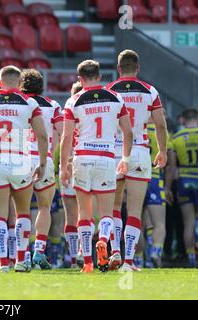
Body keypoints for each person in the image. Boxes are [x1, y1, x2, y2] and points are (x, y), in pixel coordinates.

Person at [60, 60, 133, 273]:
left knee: (84, 213)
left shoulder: (74, 100)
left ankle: (89, 262)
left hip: (82, 158)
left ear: (80, 79)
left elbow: (66, 137)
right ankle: (103, 239)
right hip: (106, 158)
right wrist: (125, 159)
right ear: (99, 76)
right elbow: (128, 132)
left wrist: (64, 166)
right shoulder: (116, 97)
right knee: (106, 212)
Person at [0, 65, 48, 273]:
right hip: (21, 161)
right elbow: (42, 136)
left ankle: (3, 263)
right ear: (19, 82)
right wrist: (42, 164)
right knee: (23, 213)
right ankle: (22, 260)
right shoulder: (29, 103)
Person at [107, 49, 168, 271]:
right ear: (138, 68)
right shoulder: (149, 90)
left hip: (114, 150)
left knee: (113, 206)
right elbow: (160, 124)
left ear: (118, 68)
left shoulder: (109, 90)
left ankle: (115, 251)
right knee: (134, 209)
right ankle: (129, 261)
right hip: (141, 150)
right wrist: (162, 150)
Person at [18, 69, 63, 269]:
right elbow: (64, 132)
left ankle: (20, 255)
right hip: (43, 159)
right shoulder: (52, 106)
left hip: (18, 160)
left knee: (21, 211)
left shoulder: (14, 103)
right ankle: (38, 251)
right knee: (44, 207)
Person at [167, 108, 198, 267]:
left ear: (184, 120)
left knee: (188, 222)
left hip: (185, 179)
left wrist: (167, 187)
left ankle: (191, 258)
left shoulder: (176, 137)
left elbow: (172, 167)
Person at [142, 118, 173, 268]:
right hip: (155, 179)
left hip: (137, 178)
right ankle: (156, 252)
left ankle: (137, 259)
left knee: (136, 222)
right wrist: (167, 187)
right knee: (159, 223)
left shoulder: (137, 128)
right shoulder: (162, 132)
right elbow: (171, 161)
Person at [61, 81, 83, 269]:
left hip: (69, 164)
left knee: (70, 215)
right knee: (88, 213)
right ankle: (86, 253)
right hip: (87, 162)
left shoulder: (66, 112)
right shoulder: (95, 109)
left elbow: (63, 140)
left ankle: (74, 259)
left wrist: (63, 166)